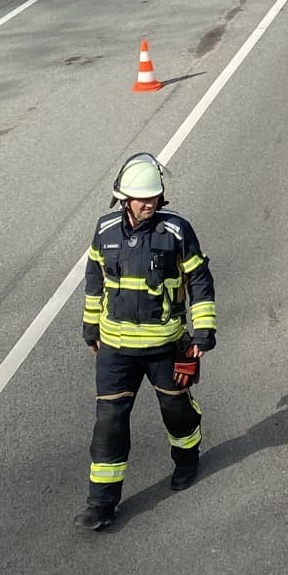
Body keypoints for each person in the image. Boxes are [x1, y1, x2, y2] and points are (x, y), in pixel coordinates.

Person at [77, 153, 216, 531]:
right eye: (142, 198)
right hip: (116, 350)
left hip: (165, 347)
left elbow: (200, 280)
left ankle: (187, 459)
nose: (150, 204)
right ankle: (101, 503)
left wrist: (203, 331)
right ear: (124, 199)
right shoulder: (104, 230)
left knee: (177, 413)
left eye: (155, 197)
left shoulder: (177, 231)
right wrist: (91, 327)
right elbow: (95, 279)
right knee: (109, 424)